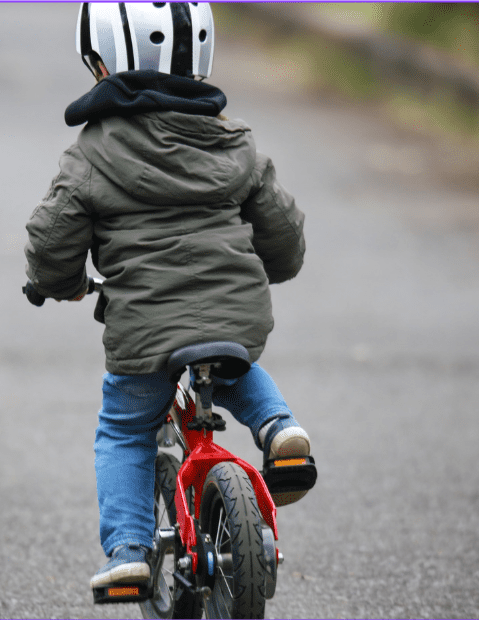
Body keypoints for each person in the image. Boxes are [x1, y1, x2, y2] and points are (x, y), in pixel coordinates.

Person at [23, 2, 311, 592]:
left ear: (102, 63)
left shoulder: (93, 152)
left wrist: (60, 284)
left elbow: (52, 239)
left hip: (145, 326)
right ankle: (278, 427)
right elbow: (282, 233)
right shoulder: (234, 141)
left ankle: (129, 550)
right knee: (232, 363)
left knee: (125, 430)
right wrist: (276, 267)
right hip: (235, 310)